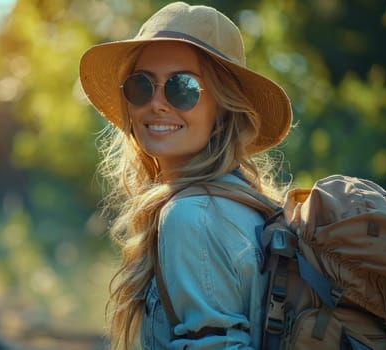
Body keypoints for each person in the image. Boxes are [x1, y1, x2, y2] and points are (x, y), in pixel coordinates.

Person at [79, 2, 292, 349]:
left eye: (183, 88)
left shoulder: (189, 217)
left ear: (223, 108)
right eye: (141, 86)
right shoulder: (249, 205)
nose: (158, 104)